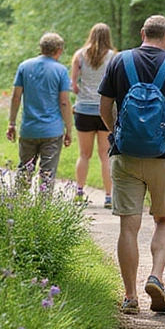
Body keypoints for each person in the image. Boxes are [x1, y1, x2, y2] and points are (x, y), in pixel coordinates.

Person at [99, 15, 165, 314]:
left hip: (126, 155)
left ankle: (130, 296)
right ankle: (156, 275)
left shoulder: (119, 61)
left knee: (128, 226)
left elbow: (104, 108)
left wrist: (116, 131)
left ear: (143, 33)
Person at [6, 32, 73, 191]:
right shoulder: (61, 70)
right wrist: (68, 129)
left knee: (24, 172)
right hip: (52, 131)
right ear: (58, 50)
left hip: (29, 129)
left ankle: (17, 209)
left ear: (41, 48)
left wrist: (12, 123)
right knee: (47, 175)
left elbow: (16, 97)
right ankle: (43, 212)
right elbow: (64, 102)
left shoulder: (24, 66)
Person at [71, 23, 116, 208]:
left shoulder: (79, 55)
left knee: (84, 154)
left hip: (83, 110)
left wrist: (82, 93)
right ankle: (108, 197)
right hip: (104, 110)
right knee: (105, 156)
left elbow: (73, 84)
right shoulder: (114, 57)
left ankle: (79, 192)